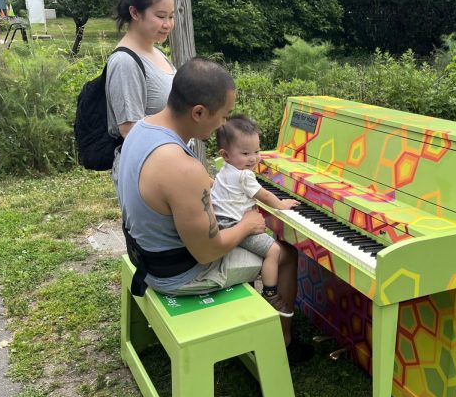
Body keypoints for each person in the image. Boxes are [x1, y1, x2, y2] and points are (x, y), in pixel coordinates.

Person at [116, 57, 311, 362]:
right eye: (223, 115)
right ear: (198, 112)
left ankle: (256, 326)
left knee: (255, 241)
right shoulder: (182, 168)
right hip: (179, 275)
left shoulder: (141, 129)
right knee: (286, 255)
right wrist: (247, 225)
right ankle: (283, 344)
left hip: (146, 254)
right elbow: (208, 252)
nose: (223, 124)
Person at [212, 115, 301, 317]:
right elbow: (264, 195)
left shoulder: (225, 169)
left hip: (222, 224)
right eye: (245, 153)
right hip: (236, 228)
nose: (253, 158)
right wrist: (281, 204)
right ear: (225, 155)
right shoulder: (244, 175)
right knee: (274, 251)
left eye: (257, 152)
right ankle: (270, 293)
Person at [106, 0, 176, 175]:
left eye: (172, 16)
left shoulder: (154, 51)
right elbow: (130, 130)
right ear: (135, 13)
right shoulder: (125, 61)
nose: (168, 24)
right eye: (160, 16)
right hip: (149, 171)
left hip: (170, 165)